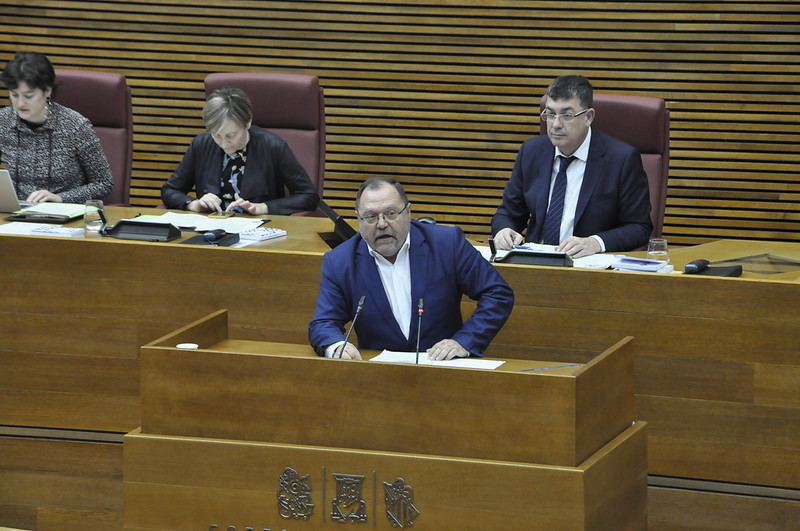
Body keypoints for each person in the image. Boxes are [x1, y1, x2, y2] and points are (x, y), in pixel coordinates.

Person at [308, 177, 514, 361]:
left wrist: (465, 341)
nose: (381, 224)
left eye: (390, 213)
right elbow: (323, 322)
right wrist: (336, 346)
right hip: (379, 376)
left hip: (443, 367)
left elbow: (497, 294)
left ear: (407, 212)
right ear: (359, 219)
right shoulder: (340, 261)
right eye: (370, 217)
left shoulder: (446, 244)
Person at [491, 75, 652, 257]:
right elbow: (508, 213)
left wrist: (595, 242)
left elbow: (639, 227)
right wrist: (504, 231)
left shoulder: (621, 159)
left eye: (567, 115)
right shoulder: (532, 152)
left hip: (588, 268)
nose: (556, 124)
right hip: (535, 263)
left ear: (588, 117)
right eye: (550, 114)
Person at [161, 86, 319, 215]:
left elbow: (308, 197)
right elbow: (170, 190)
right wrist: (194, 204)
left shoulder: (273, 145)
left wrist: (262, 207)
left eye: (231, 135)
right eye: (217, 135)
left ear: (247, 122)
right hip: (210, 231)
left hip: (257, 232)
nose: (224, 144)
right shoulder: (202, 143)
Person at [0, 52, 113, 204]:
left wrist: (60, 198)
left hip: (63, 217)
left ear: (47, 91)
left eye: (28, 96)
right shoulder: (3, 121)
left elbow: (104, 183)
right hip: (14, 216)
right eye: (14, 95)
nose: (20, 104)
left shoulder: (75, 126)